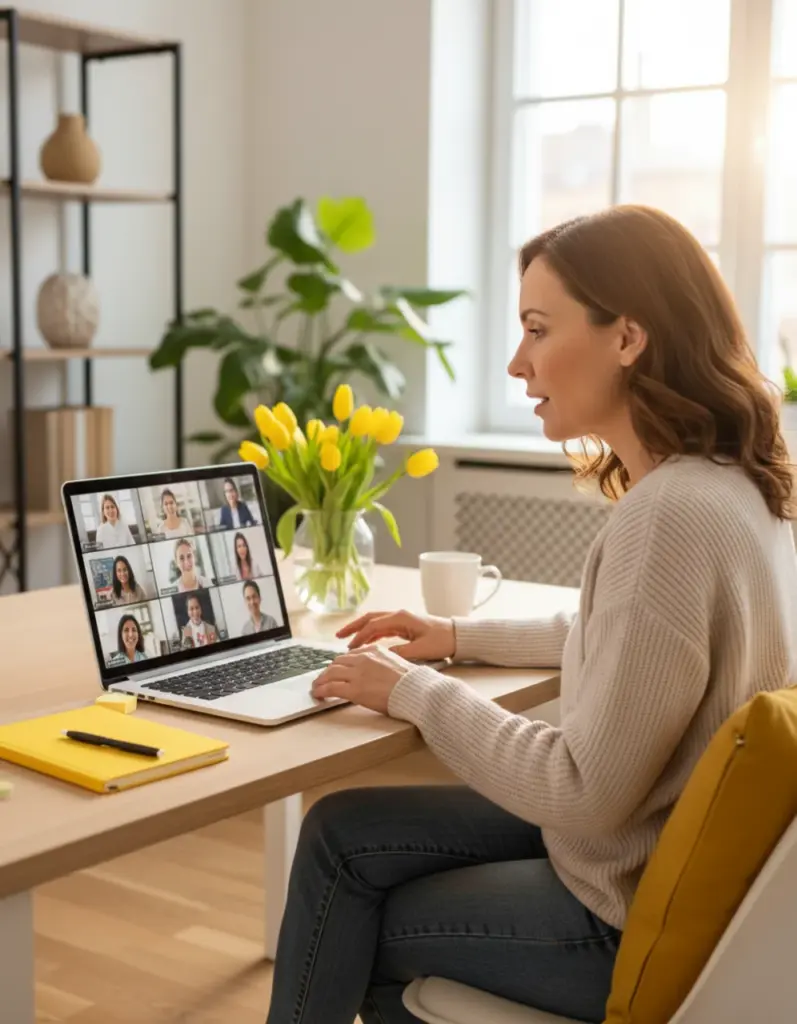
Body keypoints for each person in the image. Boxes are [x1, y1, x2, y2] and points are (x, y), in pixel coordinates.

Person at [264, 205, 797, 1024]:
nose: (518, 364)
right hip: (648, 849)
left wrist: (412, 689)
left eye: (537, 330)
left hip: (612, 906)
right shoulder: (730, 485)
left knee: (353, 916)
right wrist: (455, 638)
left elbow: (578, 788)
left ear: (627, 337)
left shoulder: (669, 517)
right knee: (341, 832)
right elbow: (633, 641)